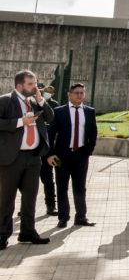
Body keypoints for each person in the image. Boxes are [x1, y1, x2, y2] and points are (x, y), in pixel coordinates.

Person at [0, 69, 55, 250]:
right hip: (11, 158)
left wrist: (41, 100)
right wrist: (19, 122)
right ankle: (2, 235)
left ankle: (28, 232)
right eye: (30, 84)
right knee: (6, 198)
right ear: (19, 86)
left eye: (35, 83)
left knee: (30, 197)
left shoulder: (35, 102)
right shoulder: (6, 100)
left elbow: (50, 117)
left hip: (33, 157)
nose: (35, 87)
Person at [47, 83, 98, 228]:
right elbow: (50, 134)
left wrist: (88, 151)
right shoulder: (59, 111)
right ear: (69, 94)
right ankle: (63, 217)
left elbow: (93, 133)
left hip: (81, 155)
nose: (79, 95)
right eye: (76, 92)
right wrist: (50, 154)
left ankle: (81, 216)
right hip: (61, 156)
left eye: (82, 92)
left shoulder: (89, 111)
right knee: (62, 186)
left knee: (80, 187)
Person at [38, 84, 58, 217]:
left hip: (47, 147)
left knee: (48, 179)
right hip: (33, 147)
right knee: (27, 181)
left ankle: (51, 205)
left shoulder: (54, 105)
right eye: (46, 91)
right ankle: (25, 207)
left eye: (50, 92)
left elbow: (54, 122)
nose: (47, 93)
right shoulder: (33, 103)